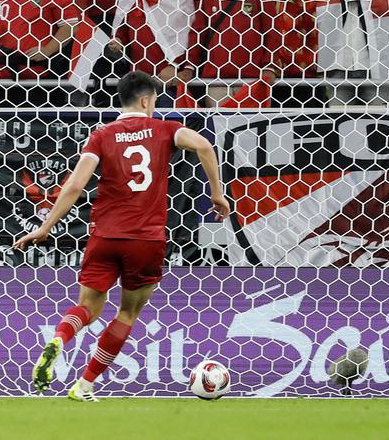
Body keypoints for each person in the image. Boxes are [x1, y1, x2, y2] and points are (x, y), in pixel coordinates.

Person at [14, 70, 230, 401]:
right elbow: (203, 145)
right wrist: (217, 193)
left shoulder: (102, 135)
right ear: (146, 100)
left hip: (105, 236)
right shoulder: (165, 130)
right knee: (127, 313)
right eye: (155, 101)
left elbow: (74, 186)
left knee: (87, 306)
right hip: (146, 238)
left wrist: (45, 226)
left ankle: (60, 337)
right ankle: (85, 384)